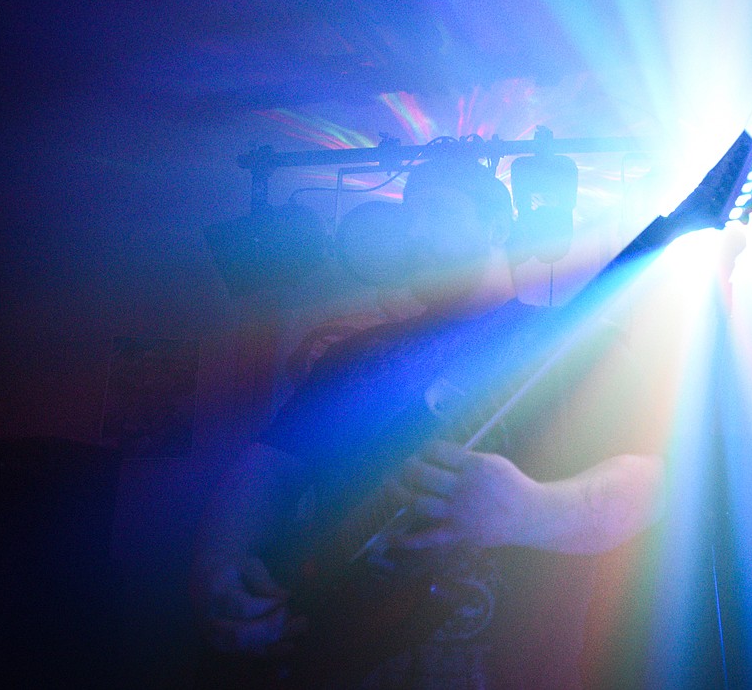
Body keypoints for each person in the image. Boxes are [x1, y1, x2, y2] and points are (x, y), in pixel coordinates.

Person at [191, 156, 665, 688]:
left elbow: (654, 482)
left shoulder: (573, 343)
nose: (413, 235)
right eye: (408, 220)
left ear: (497, 226)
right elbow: (264, 472)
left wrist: (528, 510)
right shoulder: (355, 355)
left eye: (434, 215)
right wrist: (221, 571)